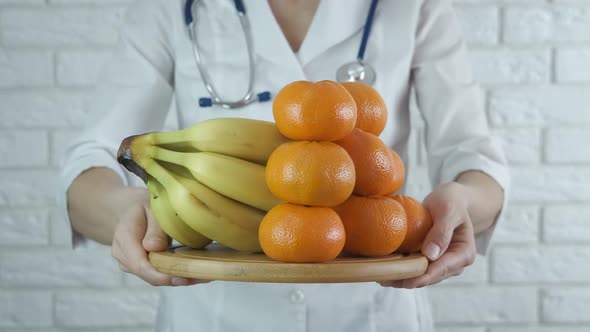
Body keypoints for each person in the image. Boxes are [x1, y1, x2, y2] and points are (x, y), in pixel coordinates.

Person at [60, 0, 509, 331]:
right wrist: (125, 210)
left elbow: (472, 154)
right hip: (216, 316)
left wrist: (463, 200)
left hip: (372, 313)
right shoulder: (172, 8)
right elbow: (90, 166)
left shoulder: (416, 7)